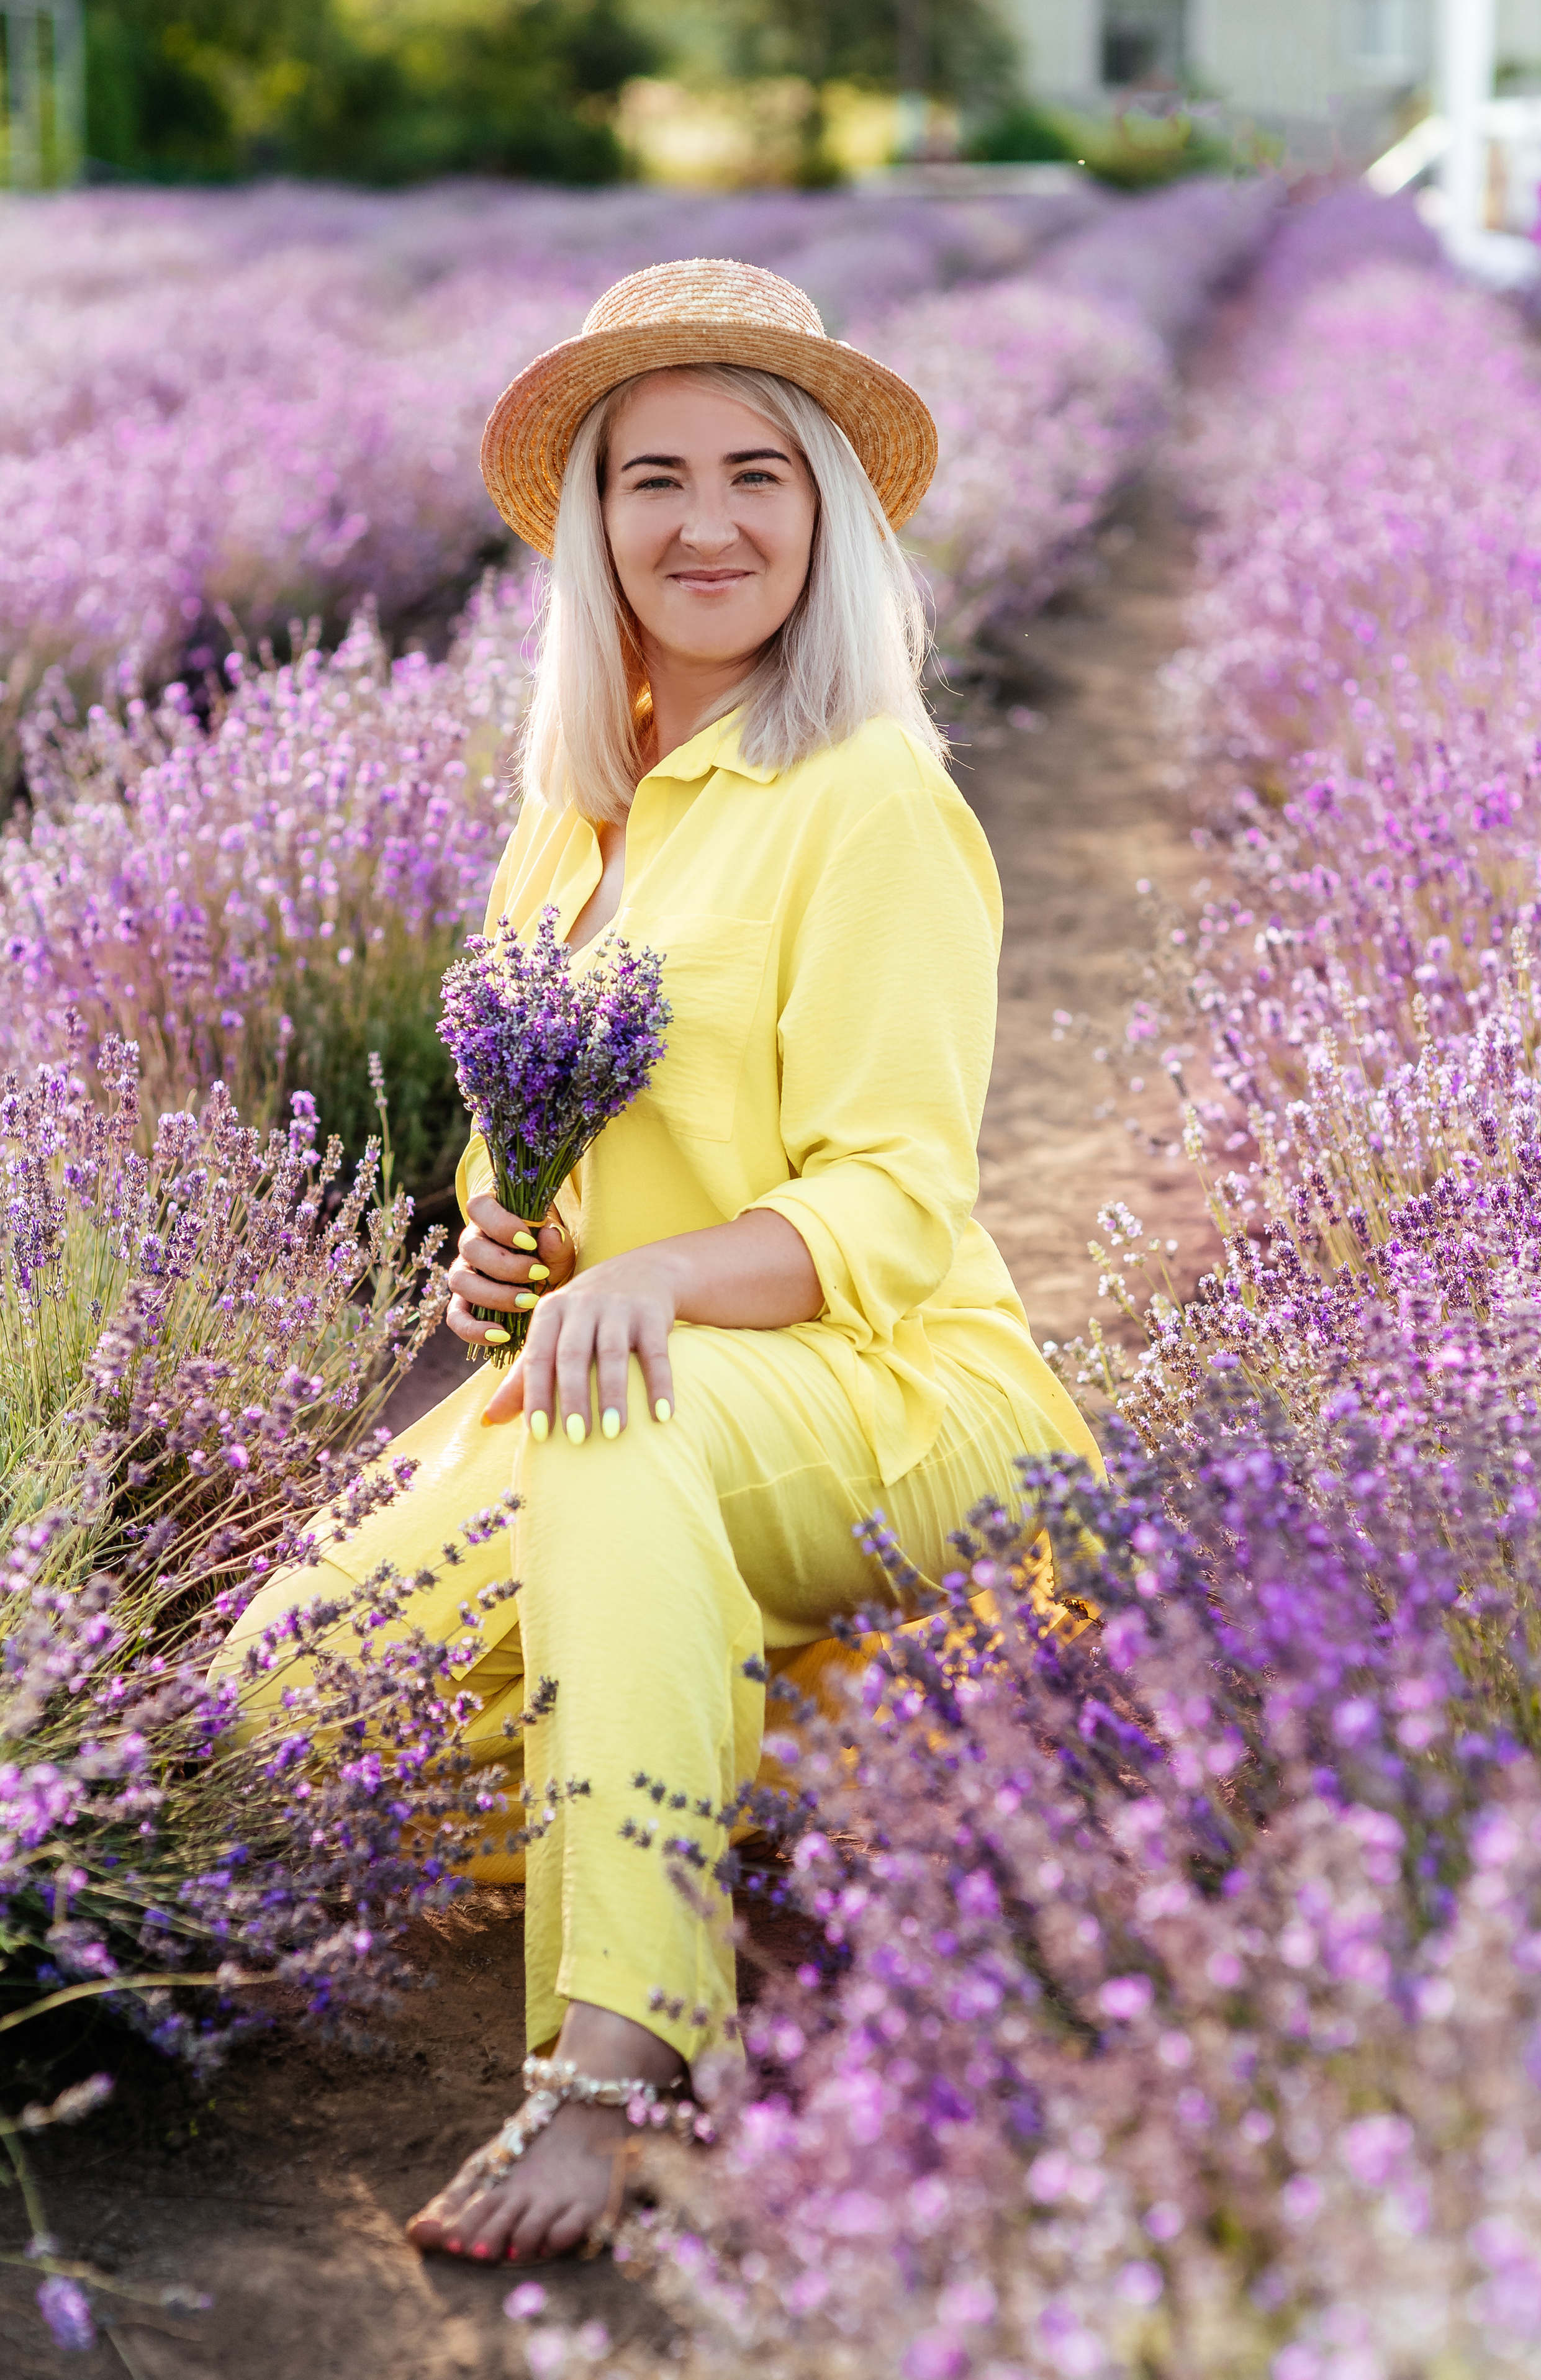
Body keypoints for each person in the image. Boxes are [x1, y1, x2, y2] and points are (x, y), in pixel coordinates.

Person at [215, 258, 1098, 2266]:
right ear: (596, 523)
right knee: (277, 1723)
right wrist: (502, 1241)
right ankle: (811, 1755)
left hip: (894, 1392)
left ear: (827, 515)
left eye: (757, 475)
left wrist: (660, 1282)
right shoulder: (574, 819)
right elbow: (535, 1157)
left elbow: (895, 1200)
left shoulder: (870, 797)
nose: (708, 523)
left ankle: (617, 2060)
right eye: (656, 479)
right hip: (635, 1384)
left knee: (623, 1423)